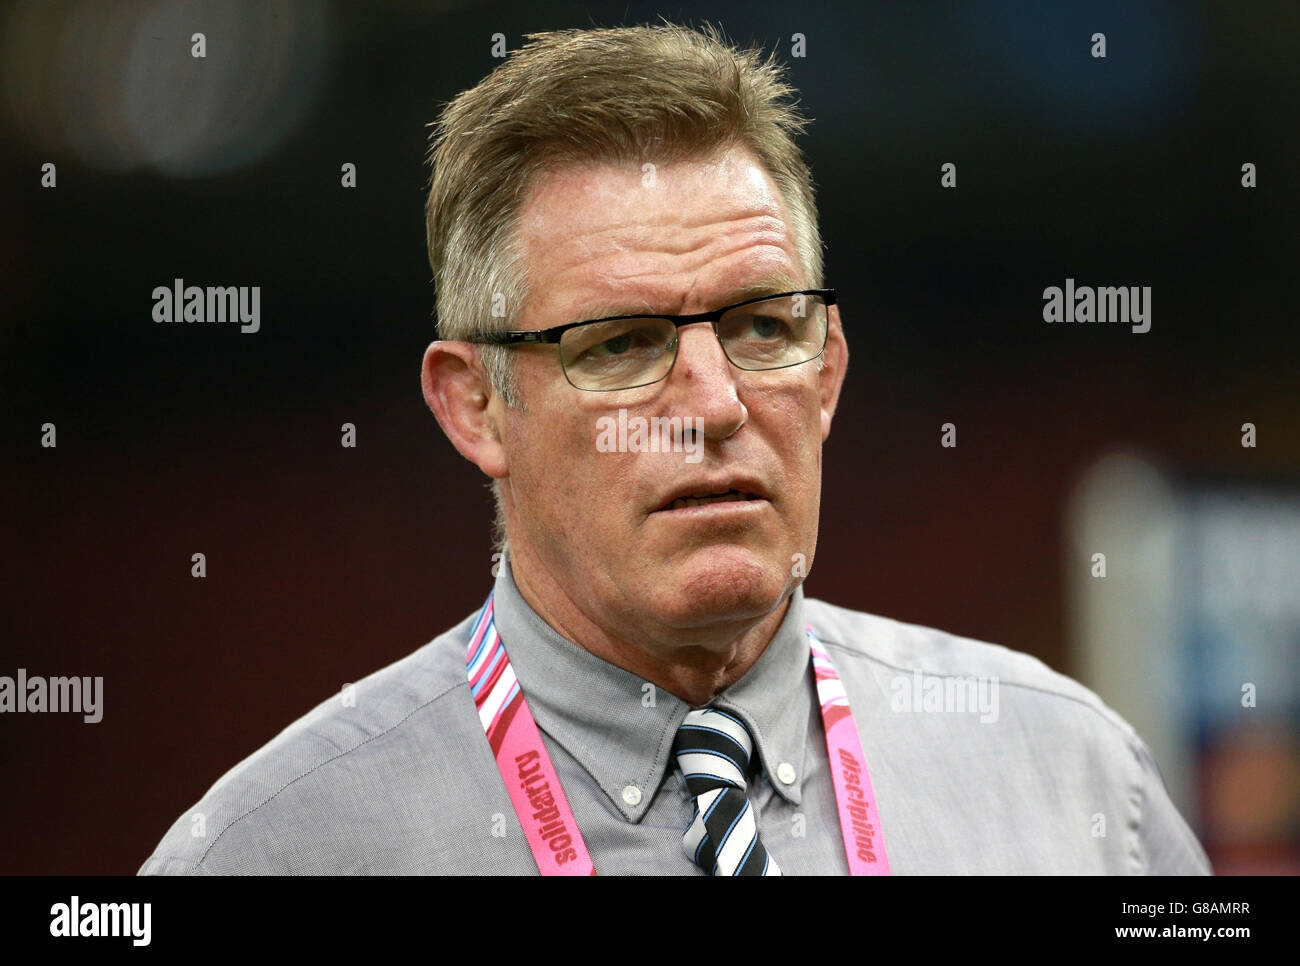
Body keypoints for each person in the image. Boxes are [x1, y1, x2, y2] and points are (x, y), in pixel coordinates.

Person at [139, 23, 1210, 875]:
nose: (715, 404)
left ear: (828, 367)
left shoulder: (1072, 780)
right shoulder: (274, 851)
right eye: (622, 343)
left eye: (761, 327)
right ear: (475, 409)